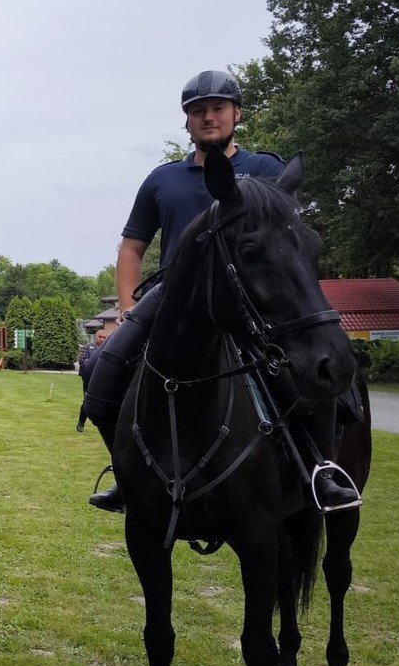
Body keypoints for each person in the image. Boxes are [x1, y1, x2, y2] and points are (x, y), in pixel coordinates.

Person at [84, 70, 360, 513]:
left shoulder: (267, 170)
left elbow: (286, 242)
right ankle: (126, 470)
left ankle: (321, 469)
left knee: (312, 371)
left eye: (217, 108)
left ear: (236, 114)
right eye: (198, 111)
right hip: (174, 299)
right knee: (100, 367)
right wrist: (127, 307)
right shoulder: (162, 180)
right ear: (187, 121)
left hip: (250, 298)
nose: (208, 117)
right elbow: (132, 247)